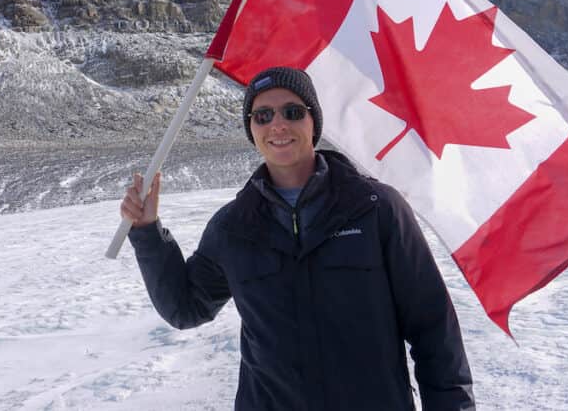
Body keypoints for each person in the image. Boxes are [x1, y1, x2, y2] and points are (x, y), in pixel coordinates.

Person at [121, 66, 474, 410]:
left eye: (292, 112)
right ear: (251, 129)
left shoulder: (376, 209)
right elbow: (186, 307)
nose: (277, 124)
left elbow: (433, 328)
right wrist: (147, 233)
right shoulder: (233, 227)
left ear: (313, 122)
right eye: (262, 116)